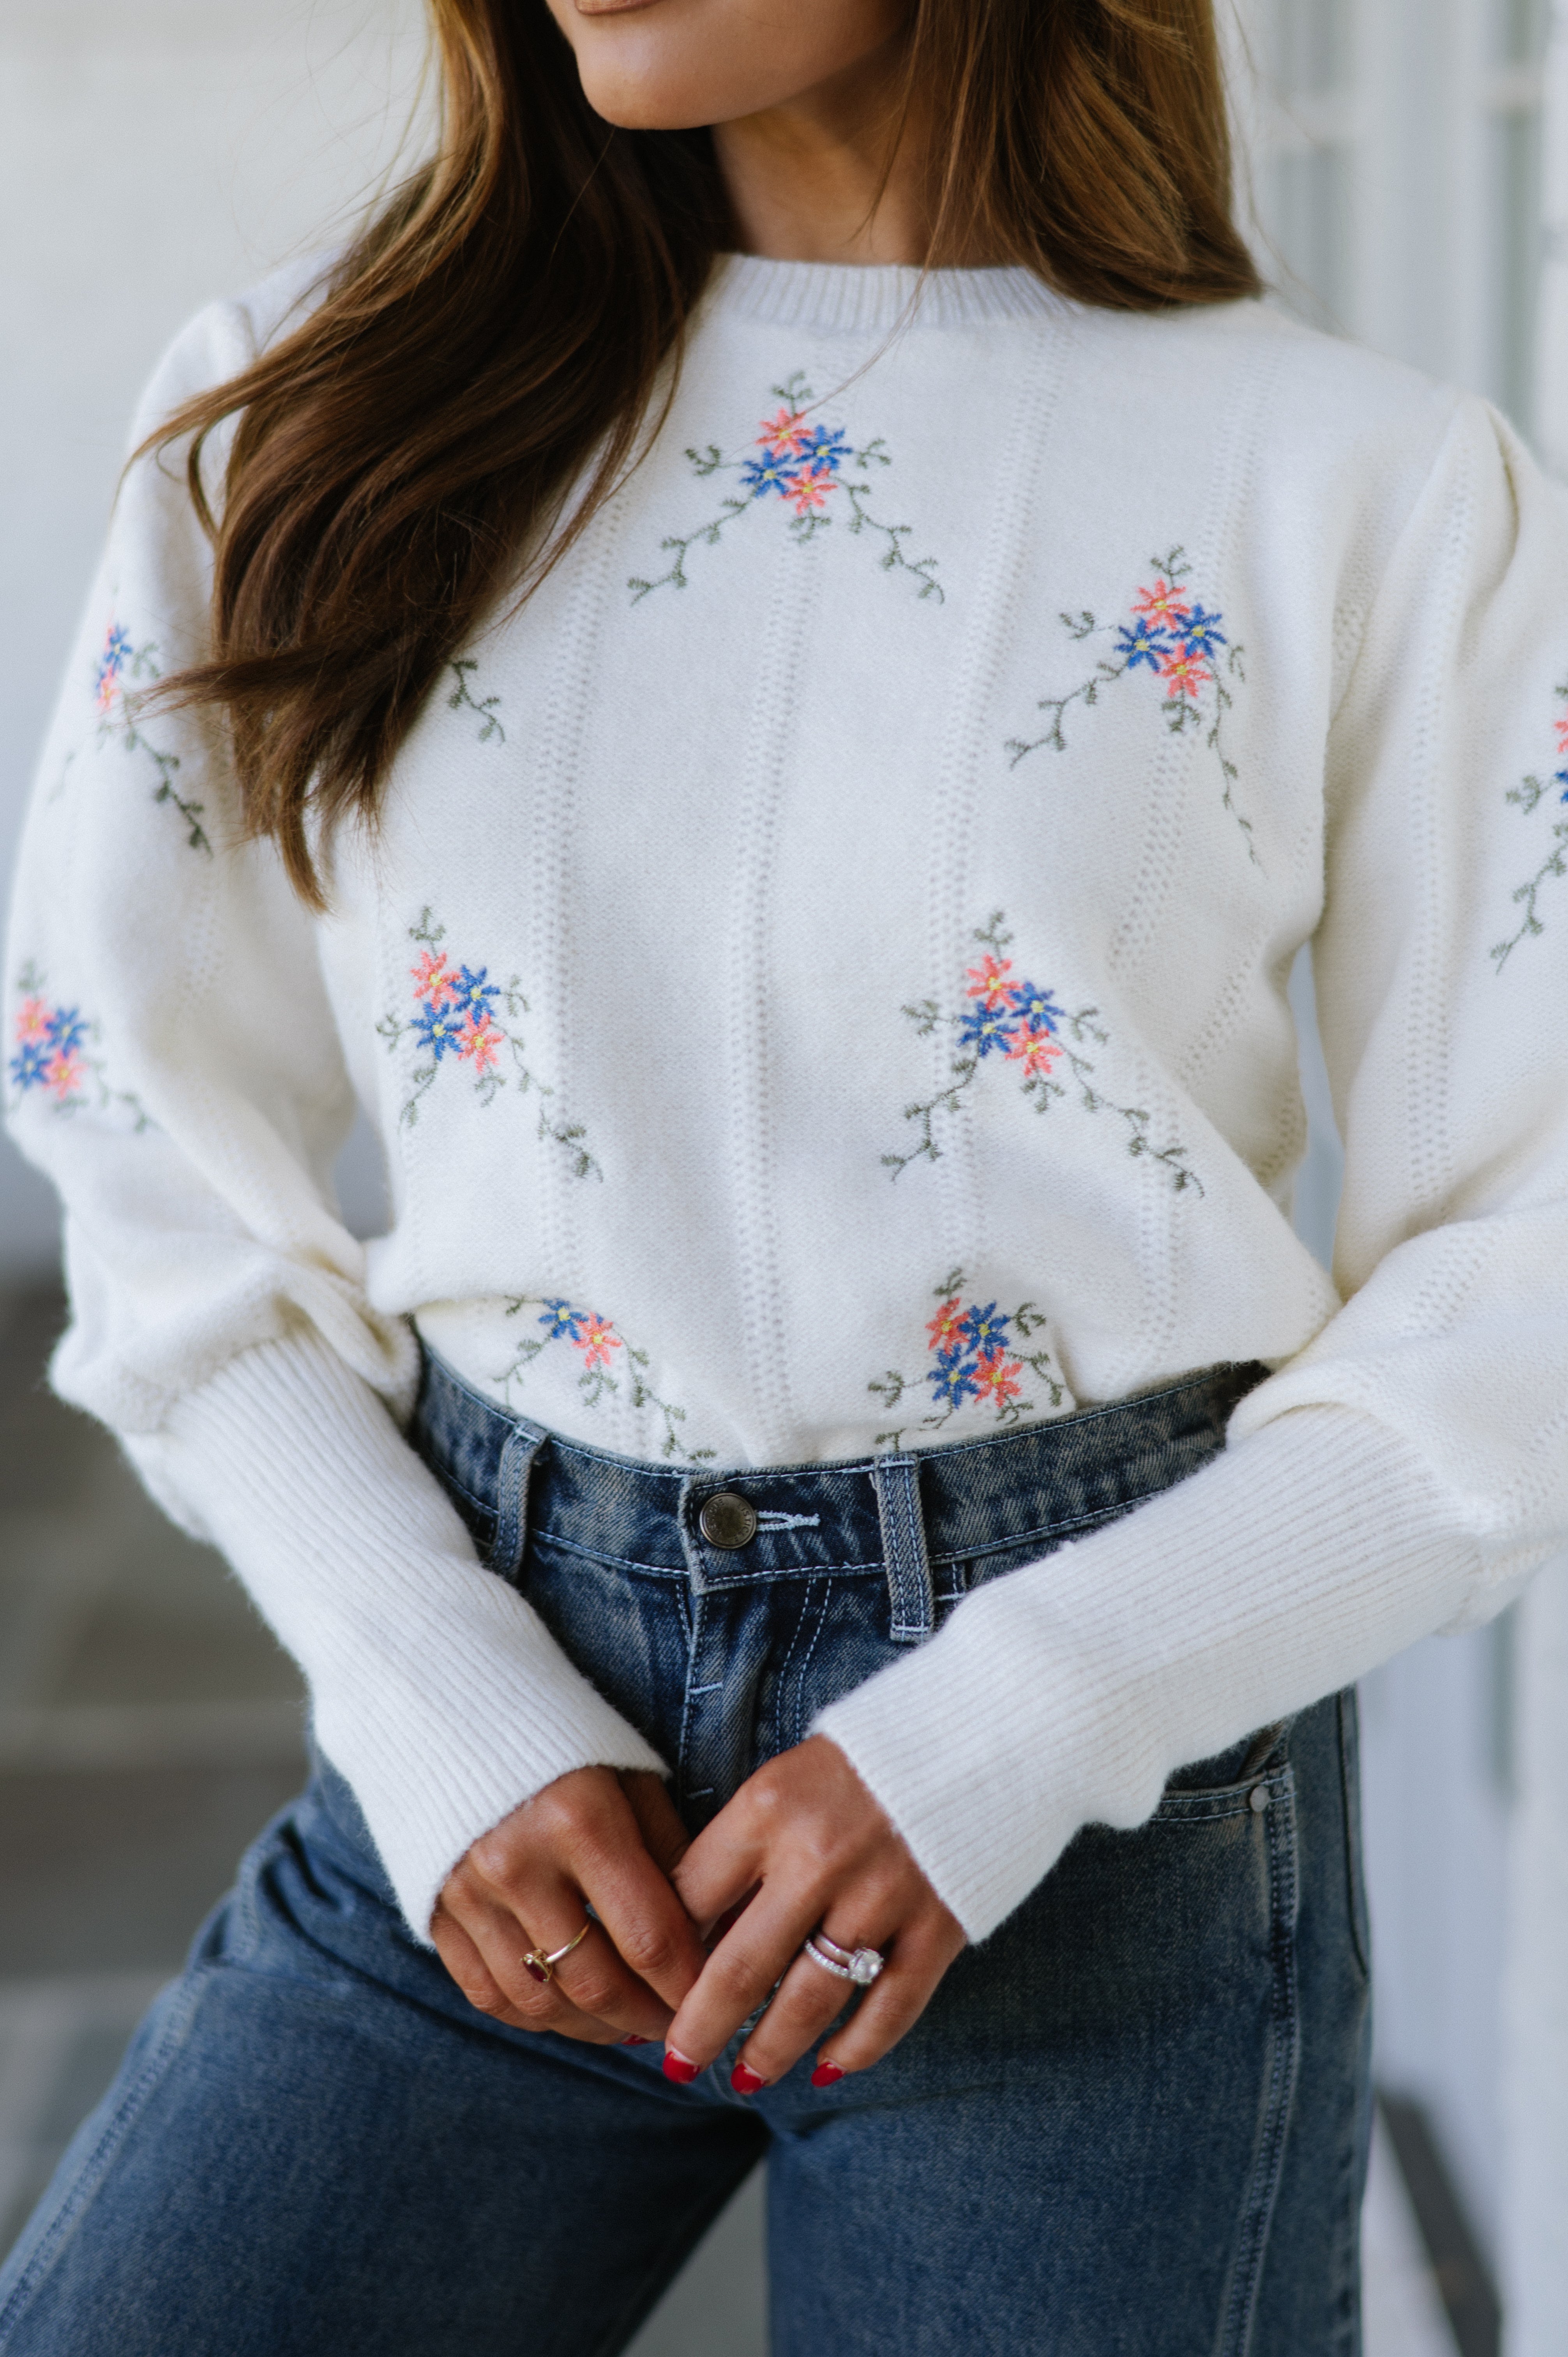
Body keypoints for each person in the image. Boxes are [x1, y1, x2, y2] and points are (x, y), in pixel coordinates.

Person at [4, 0, 1566, 2348]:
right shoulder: (303, 408)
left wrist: (1018, 1719)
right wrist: (439, 1701)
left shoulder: (1362, 480)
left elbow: (1532, 1243)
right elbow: (131, 1124)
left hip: (1106, 1807)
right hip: (494, 1725)